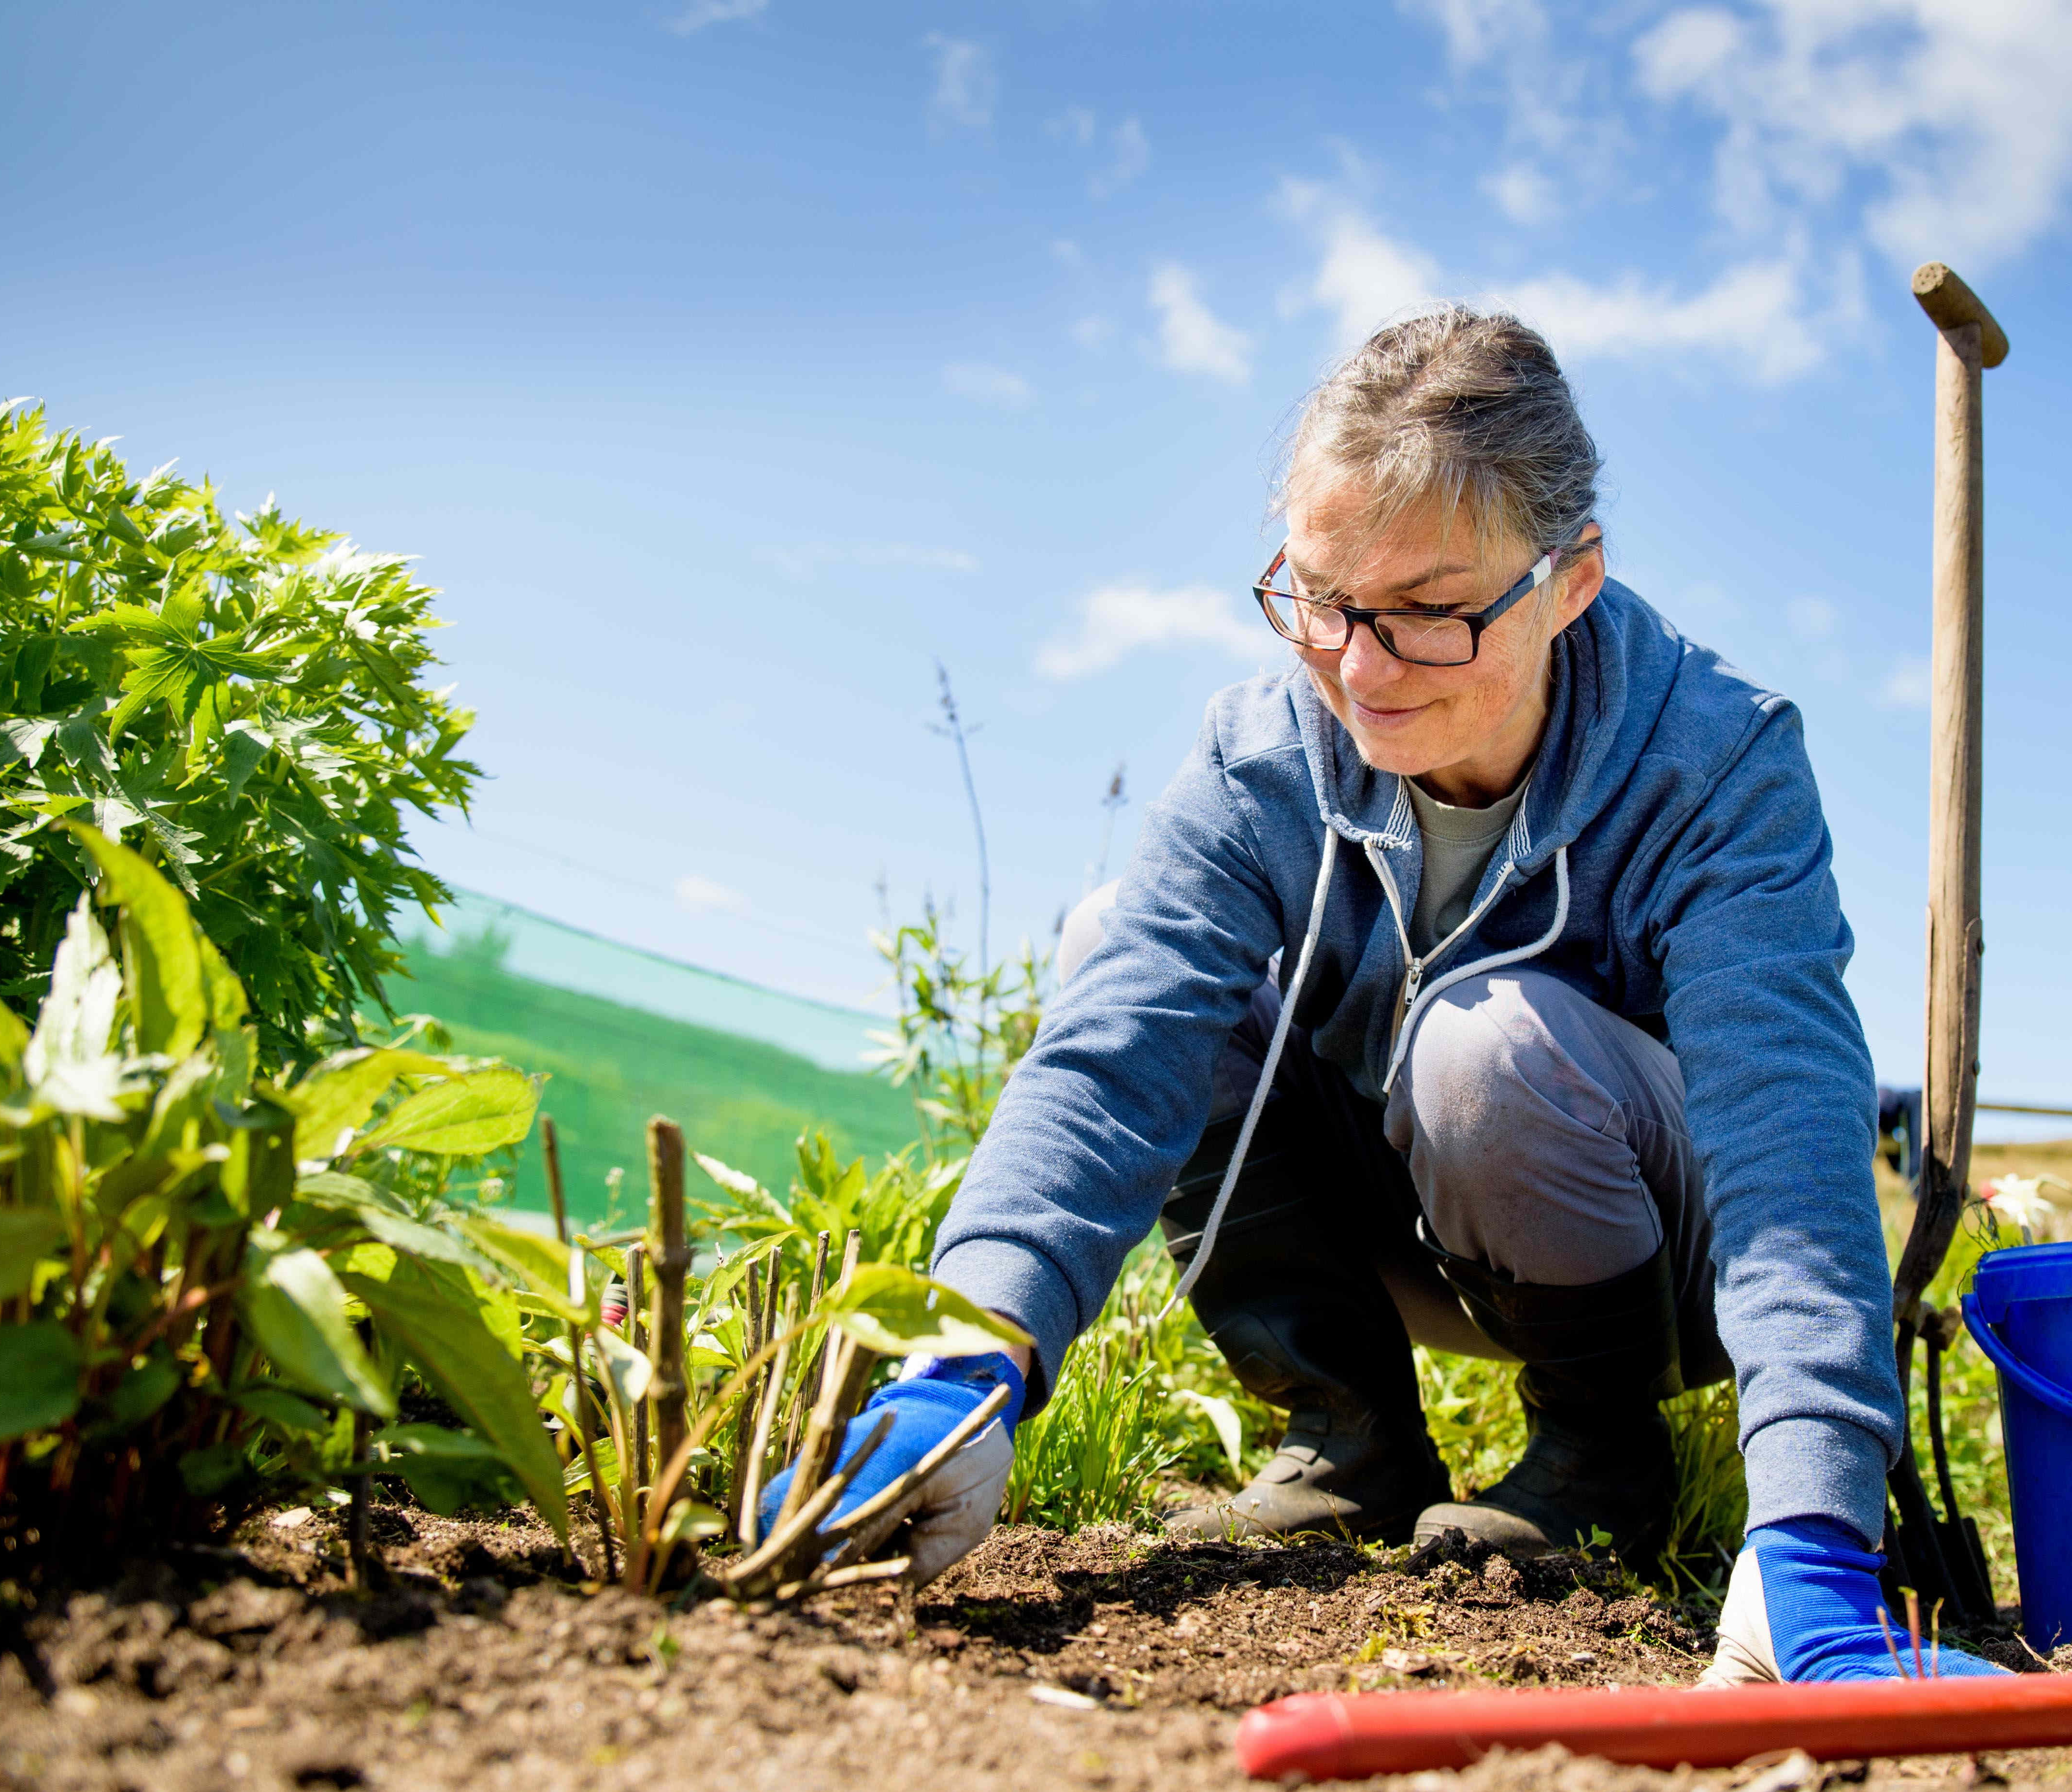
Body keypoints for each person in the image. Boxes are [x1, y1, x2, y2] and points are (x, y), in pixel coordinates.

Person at [759, 309, 2000, 1682]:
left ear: (1570, 580)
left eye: (1424, 611)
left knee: (1490, 1043)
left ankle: (1603, 1464)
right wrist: (963, 1364)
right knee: (1114, 938)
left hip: (1671, 1249)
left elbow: (1786, 1145)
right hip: (1414, 1219)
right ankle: (1352, 1440)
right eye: (1322, 598)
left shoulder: (1714, 766)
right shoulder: (1262, 764)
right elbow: (1114, 1060)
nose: (1358, 667)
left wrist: (1817, 1533)